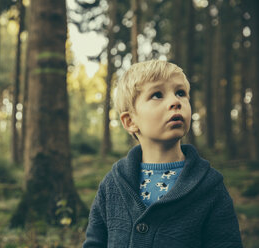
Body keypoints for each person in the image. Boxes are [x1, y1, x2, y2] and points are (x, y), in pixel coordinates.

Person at [82, 60, 243, 248]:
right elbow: (94, 242)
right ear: (130, 121)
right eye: (157, 95)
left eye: (181, 93)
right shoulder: (112, 185)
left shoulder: (210, 186)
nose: (175, 102)